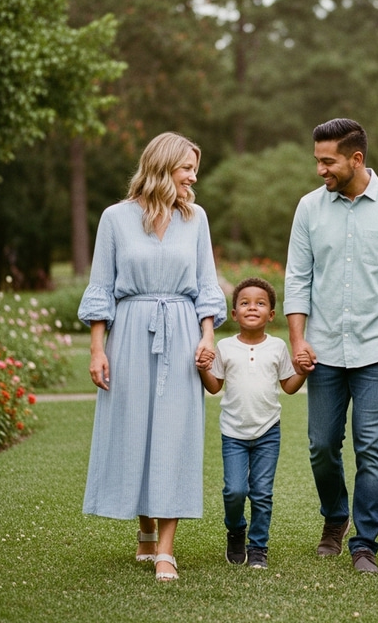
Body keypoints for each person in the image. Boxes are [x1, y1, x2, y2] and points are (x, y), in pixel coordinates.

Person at [78, 131, 227, 582]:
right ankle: (143, 528)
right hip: (129, 332)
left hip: (182, 331)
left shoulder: (195, 217)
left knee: (174, 435)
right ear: (162, 166)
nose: (193, 176)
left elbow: (206, 283)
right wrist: (97, 349)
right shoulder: (115, 219)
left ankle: (165, 550)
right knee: (132, 428)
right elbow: (102, 286)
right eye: (187, 167)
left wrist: (208, 337)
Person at [283, 118, 378, 574]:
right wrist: (298, 340)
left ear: (356, 159)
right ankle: (335, 517)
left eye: (328, 161)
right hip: (322, 349)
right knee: (321, 445)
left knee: (371, 446)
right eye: (317, 160)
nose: (321, 169)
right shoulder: (308, 208)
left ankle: (364, 542)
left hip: (377, 351)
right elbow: (297, 278)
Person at [199, 277, 306, 570]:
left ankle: (258, 547)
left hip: (268, 431)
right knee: (234, 491)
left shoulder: (278, 347)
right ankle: (236, 530)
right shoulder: (225, 347)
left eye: (260, 304)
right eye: (244, 303)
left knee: (262, 492)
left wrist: (304, 372)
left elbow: (289, 386)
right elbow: (213, 386)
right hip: (233, 432)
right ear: (234, 314)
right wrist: (202, 370)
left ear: (271, 314)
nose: (252, 308)